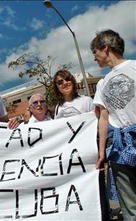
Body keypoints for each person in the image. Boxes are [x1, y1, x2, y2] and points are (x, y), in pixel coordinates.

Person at [91, 29, 136, 220]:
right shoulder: (102, 84)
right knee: (130, 205)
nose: (94, 58)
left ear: (106, 48)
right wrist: (102, 152)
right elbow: (103, 118)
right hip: (119, 148)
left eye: (95, 52)